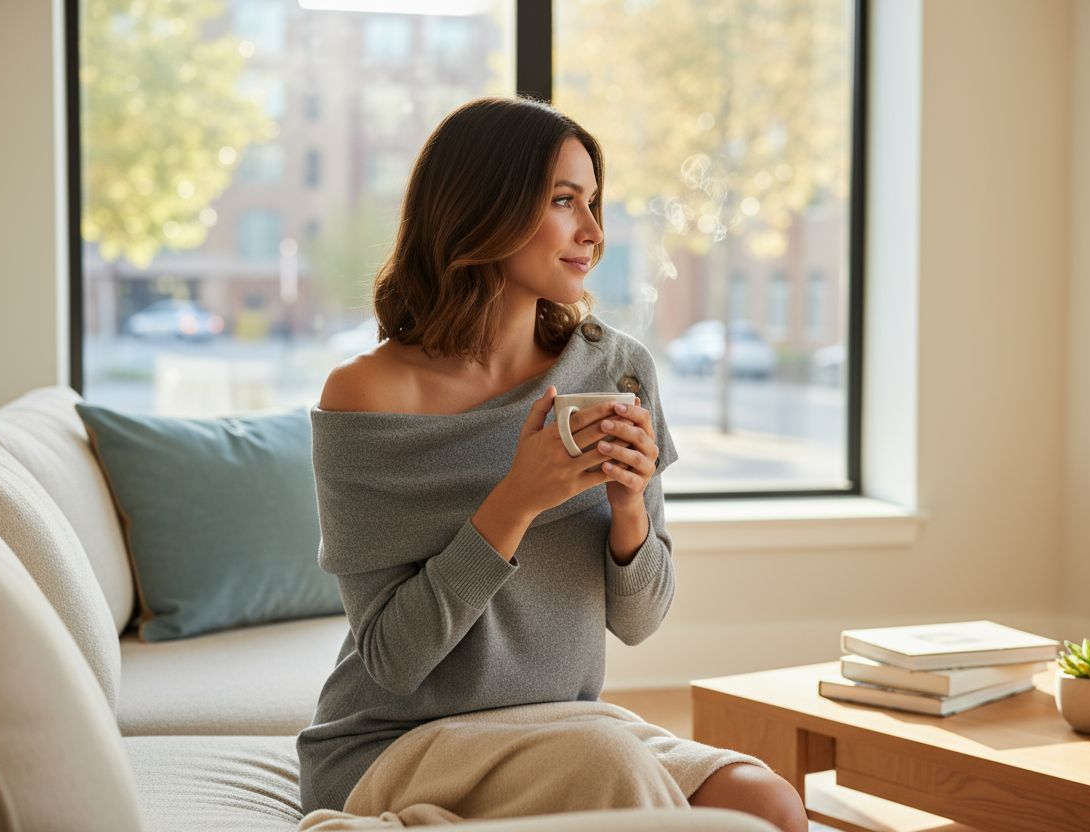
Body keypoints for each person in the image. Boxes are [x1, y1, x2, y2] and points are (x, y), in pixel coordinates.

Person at [296, 95, 808, 832]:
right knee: (613, 767)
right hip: (397, 739)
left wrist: (630, 510)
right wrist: (516, 499)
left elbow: (641, 622)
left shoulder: (618, 367)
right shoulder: (368, 395)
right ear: (482, 211)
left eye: (594, 203)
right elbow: (390, 659)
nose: (594, 233)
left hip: (565, 723)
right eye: (565, 201)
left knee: (772, 805)